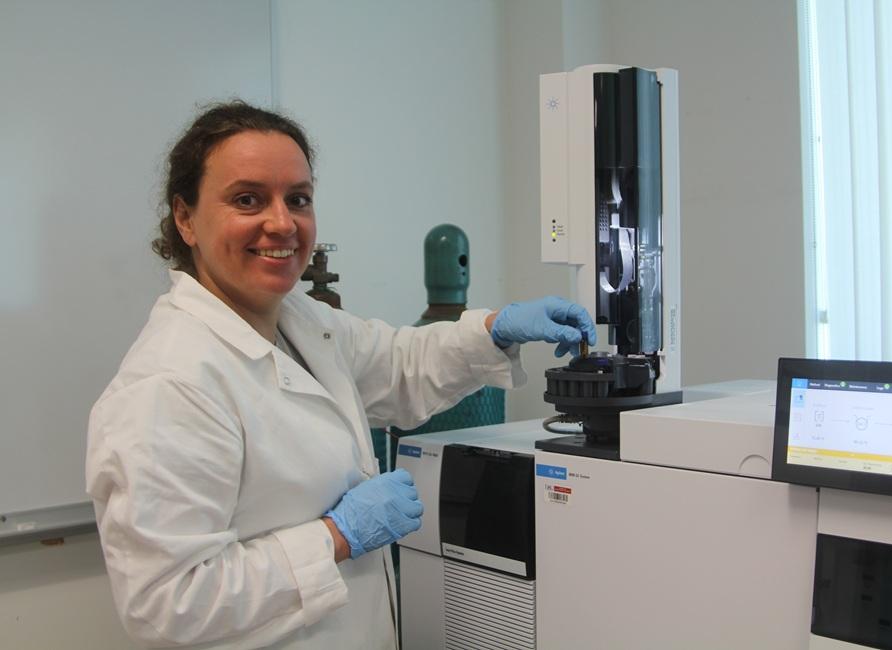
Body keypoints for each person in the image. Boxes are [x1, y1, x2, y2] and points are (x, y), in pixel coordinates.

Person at [85, 101, 596, 650]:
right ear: (185, 218)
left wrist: (495, 330)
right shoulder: (170, 384)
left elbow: (398, 365)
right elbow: (167, 604)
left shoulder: (302, 322)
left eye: (298, 199)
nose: (282, 223)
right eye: (247, 199)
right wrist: (335, 537)